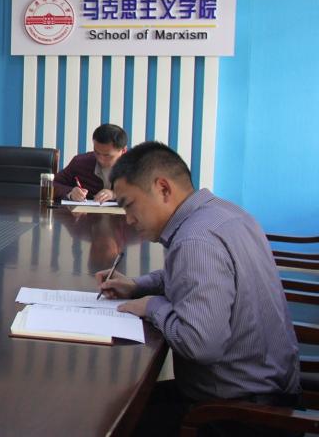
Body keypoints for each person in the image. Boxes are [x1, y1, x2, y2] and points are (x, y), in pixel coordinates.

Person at [97, 142, 300, 435]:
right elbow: (193, 278)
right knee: (122, 404)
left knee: (111, 421)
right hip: (271, 392)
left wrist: (152, 306)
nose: (128, 219)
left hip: (239, 414)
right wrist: (137, 286)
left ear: (163, 189)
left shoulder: (195, 241)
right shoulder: (222, 214)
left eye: (129, 205)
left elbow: (199, 344)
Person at [54, 123, 127, 202]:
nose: (100, 159)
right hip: (84, 210)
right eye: (97, 152)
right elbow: (52, 184)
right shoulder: (80, 162)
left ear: (123, 151)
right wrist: (70, 192)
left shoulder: (134, 167)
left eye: (107, 155)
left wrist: (115, 194)